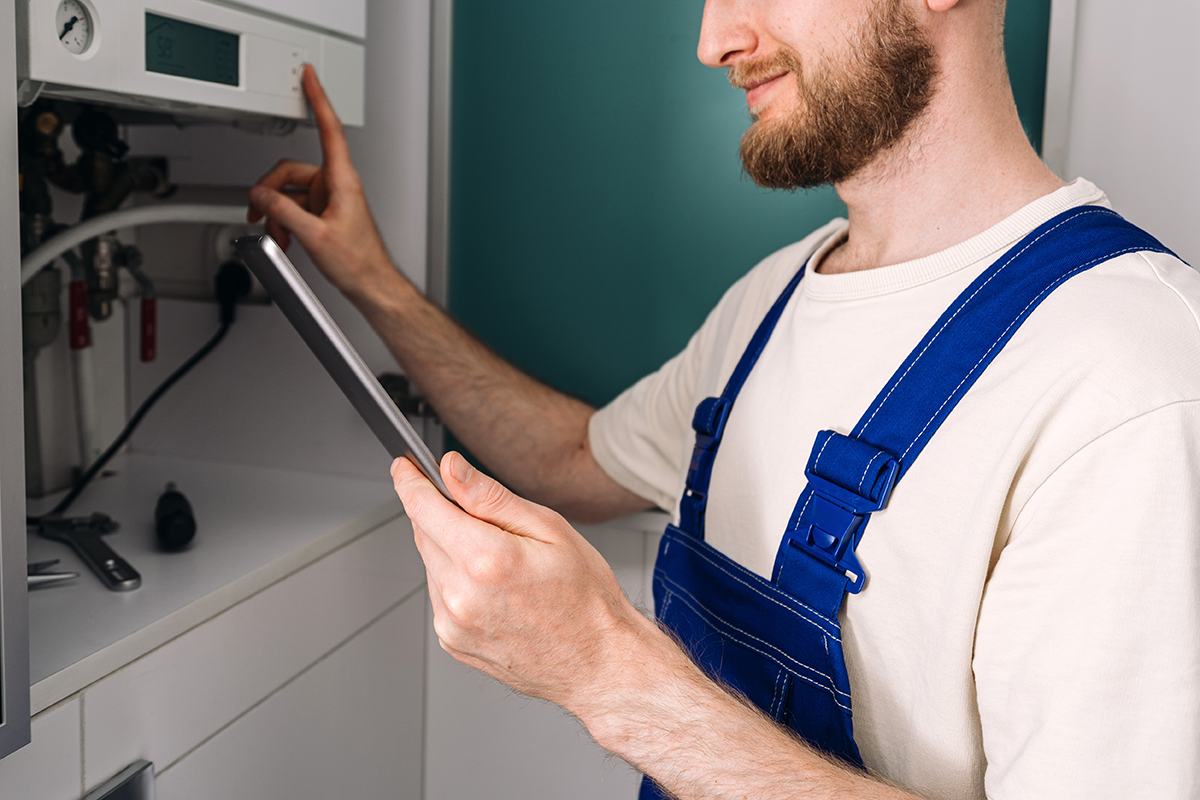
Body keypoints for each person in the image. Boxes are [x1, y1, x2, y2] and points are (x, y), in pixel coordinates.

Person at [248, 0, 1200, 797]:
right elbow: (574, 462)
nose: (714, 40)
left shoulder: (1130, 378)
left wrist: (606, 672)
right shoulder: (777, 295)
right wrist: (373, 283)